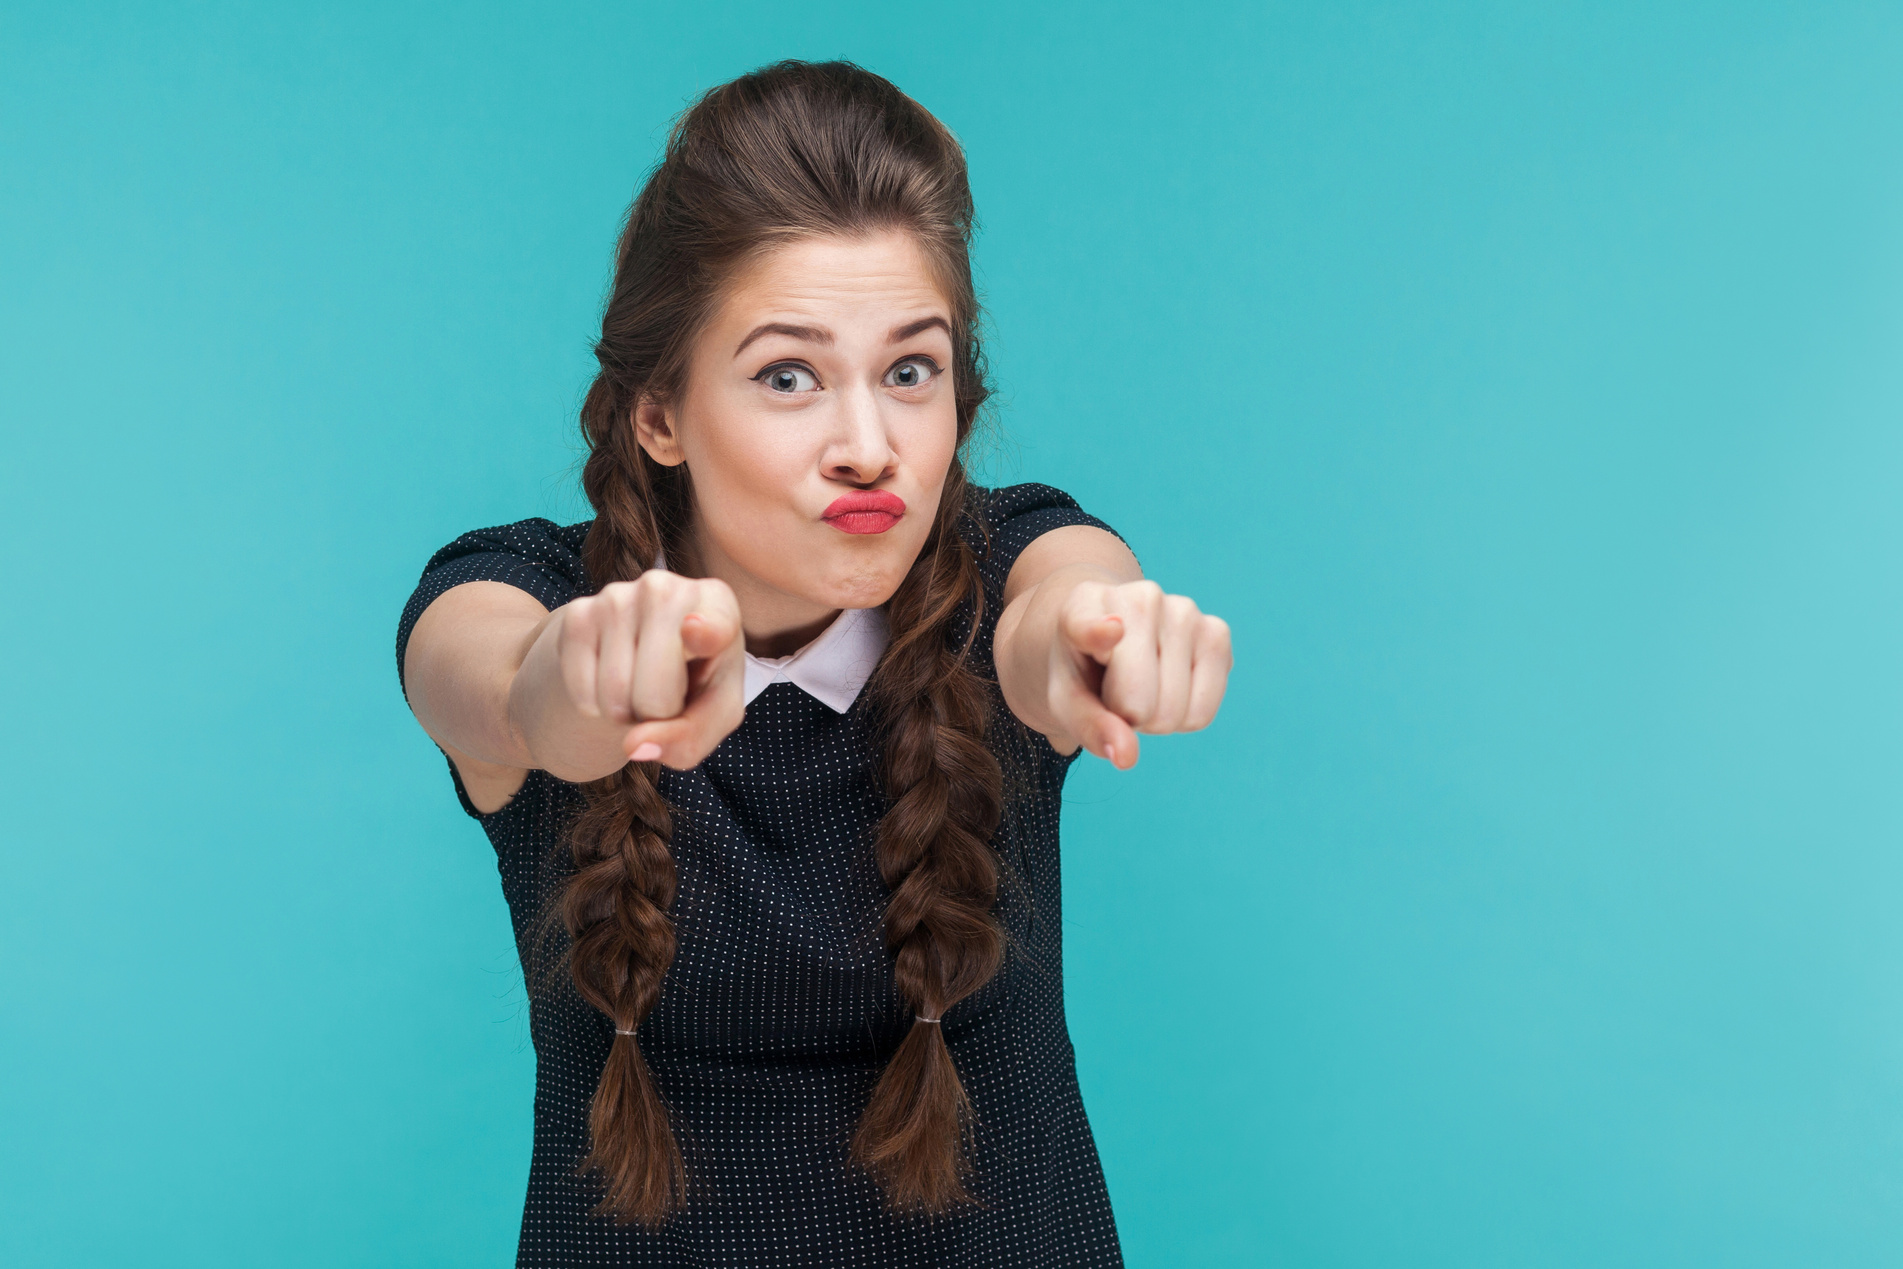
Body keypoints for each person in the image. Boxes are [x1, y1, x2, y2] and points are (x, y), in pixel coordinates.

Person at [397, 60, 1232, 1268]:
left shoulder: (1011, 566)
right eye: (787, 376)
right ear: (659, 414)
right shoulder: (521, 590)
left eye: (910, 371)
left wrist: (1089, 651)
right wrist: (565, 693)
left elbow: (1066, 606)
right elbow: (485, 672)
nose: (866, 446)